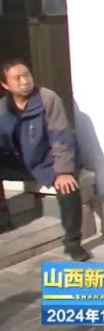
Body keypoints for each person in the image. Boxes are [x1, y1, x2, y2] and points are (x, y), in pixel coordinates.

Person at [0, 60, 91, 261]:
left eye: (27, 75)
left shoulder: (47, 98)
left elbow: (61, 137)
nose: (25, 81)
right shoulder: (3, 109)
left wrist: (63, 171)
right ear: (5, 85)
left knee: (68, 187)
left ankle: (73, 243)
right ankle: (3, 221)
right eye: (17, 78)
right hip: (22, 162)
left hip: (49, 161)